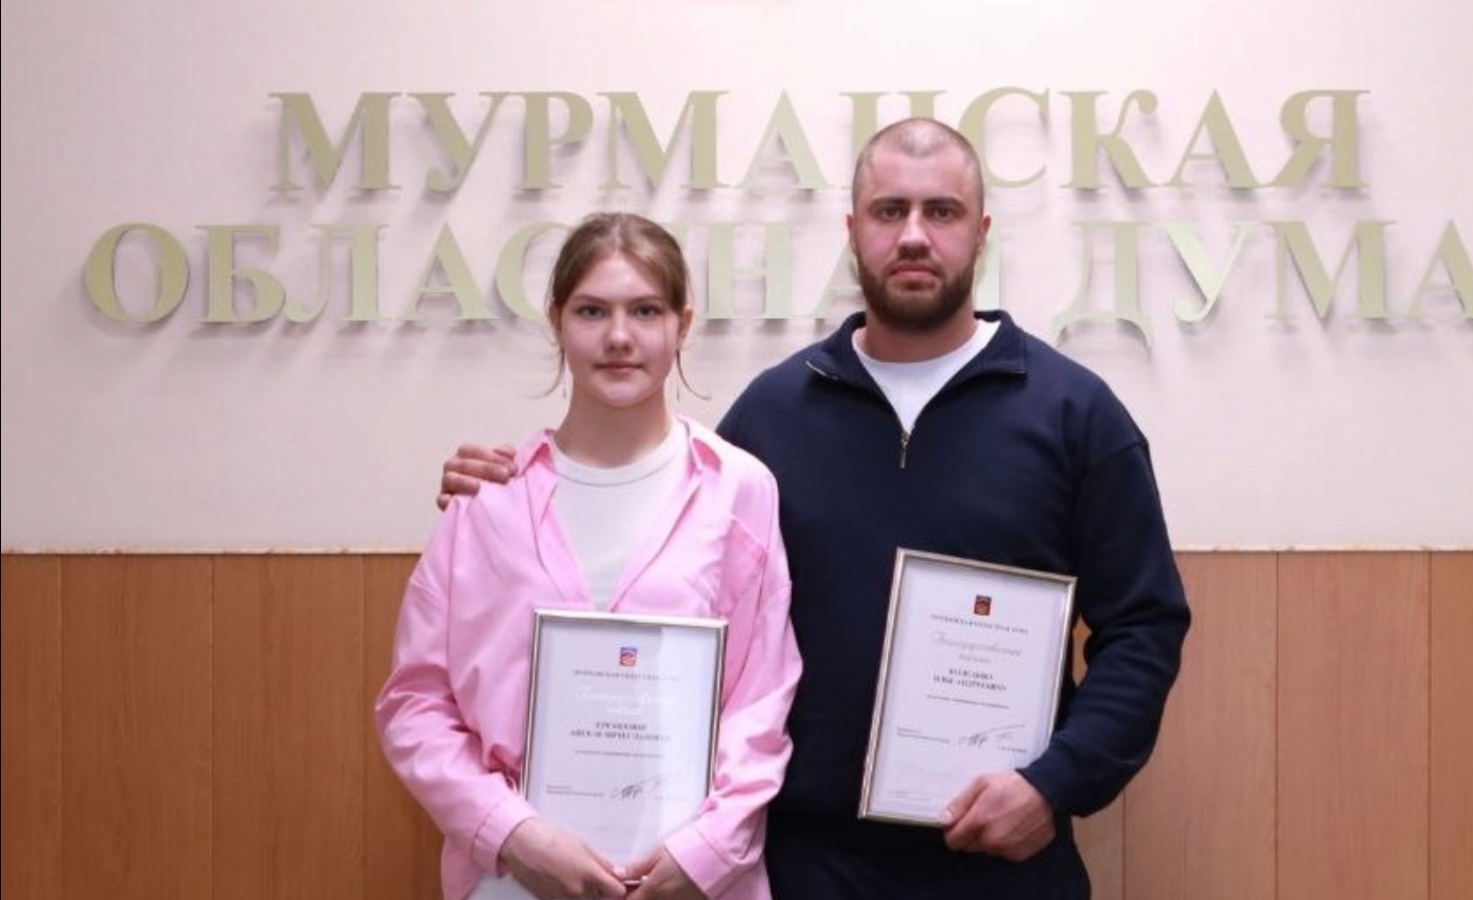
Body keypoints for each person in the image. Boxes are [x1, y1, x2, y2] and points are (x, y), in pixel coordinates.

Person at [438, 119, 1191, 900]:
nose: (914, 235)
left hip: (1005, 869)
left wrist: (1054, 782)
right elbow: (658, 583)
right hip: (804, 868)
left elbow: (1143, 627)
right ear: (852, 229)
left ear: (982, 231)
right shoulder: (772, 418)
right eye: (890, 210)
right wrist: (508, 483)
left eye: (942, 211)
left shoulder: (1075, 416)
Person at [378, 212, 802, 900]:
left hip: (690, 884)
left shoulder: (737, 491)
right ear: (557, 322)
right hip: (516, 881)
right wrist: (512, 835)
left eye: (646, 311)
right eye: (592, 311)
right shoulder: (488, 503)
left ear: (682, 325)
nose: (619, 336)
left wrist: (703, 854)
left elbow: (761, 703)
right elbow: (416, 703)